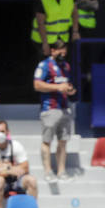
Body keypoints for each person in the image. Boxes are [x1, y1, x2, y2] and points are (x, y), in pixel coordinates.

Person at [33, 39, 79, 181]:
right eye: (60, 50)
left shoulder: (66, 66)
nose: (63, 53)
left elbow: (68, 85)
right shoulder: (44, 65)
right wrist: (57, 88)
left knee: (63, 141)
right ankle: (48, 172)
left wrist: (70, 90)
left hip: (64, 108)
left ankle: (61, 171)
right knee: (47, 141)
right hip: (49, 108)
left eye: (65, 50)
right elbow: (37, 85)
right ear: (53, 51)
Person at [0, 120, 39, 208]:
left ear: (7, 132)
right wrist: (12, 170)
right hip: (0, 181)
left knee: (31, 180)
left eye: (2, 131)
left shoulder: (16, 145)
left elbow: (25, 167)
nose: (0, 134)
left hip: (16, 180)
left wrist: (5, 168)